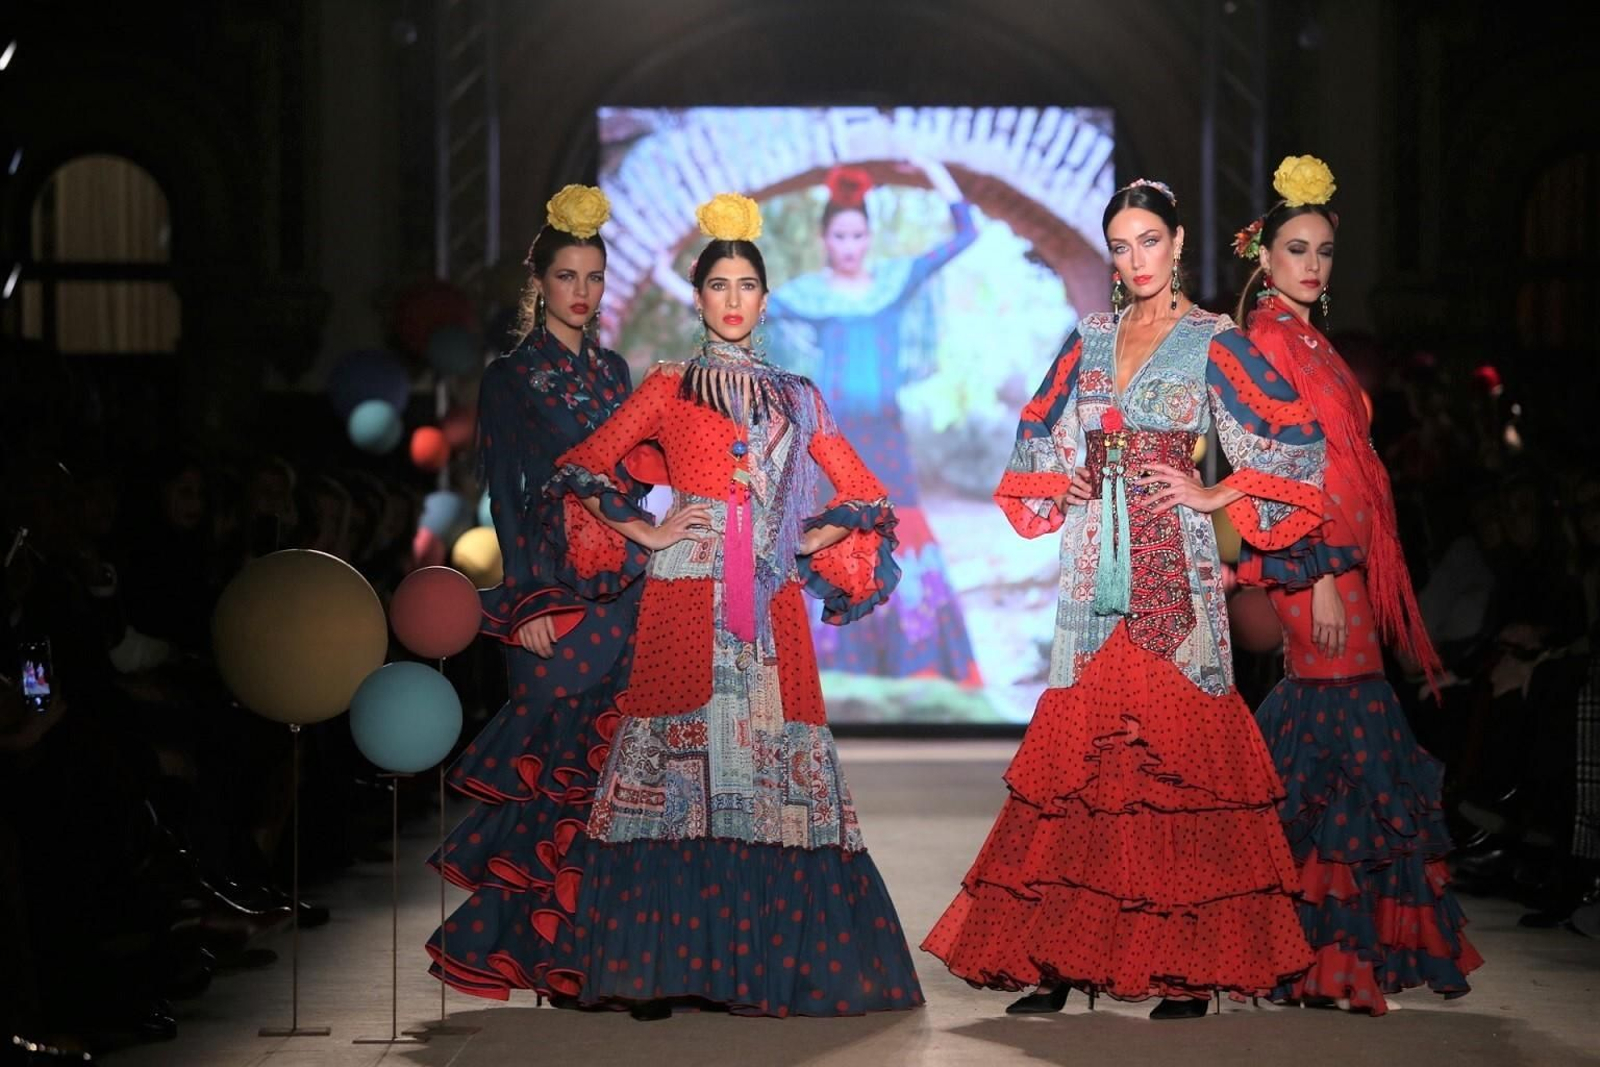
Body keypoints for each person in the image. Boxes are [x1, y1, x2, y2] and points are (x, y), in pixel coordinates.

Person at [922, 178, 1321, 1020]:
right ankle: (1061, 957)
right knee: (1085, 764)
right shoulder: (1090, 337)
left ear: (1177, 243)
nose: (1134, 258)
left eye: (1148, 240)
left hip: (1171, 569)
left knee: (1170, 765)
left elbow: (1292, 443)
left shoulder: (1213, 339)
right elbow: (1039, 429)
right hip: (1091, 573)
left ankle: (1181, 967)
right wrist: (1061, 475)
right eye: (1120, 245)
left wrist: (1214, 493)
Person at [547, 193, 923, 1020]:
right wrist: (646, 531)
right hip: (686, 587)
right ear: (699, 295)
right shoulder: (668, 386)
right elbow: (582, 466)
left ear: (763, 296)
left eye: (745, 284)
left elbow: (866, 491)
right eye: (717, 283)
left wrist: (805, 534)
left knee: (769, 771)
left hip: (770, 599)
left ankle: (760, 971)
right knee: (673, 767)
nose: (731, 298)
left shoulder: (798, 394)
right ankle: (653, 968)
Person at [1232, 155, 1482, 1014]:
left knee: (1343, 726)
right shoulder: (1267, 339)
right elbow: (1280, 470)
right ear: (1262, 256)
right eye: (1296, 247)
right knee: (1337, 728)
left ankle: (1322, 955)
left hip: (1345, 561)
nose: (1311, 263)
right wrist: (1325, 572)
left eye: (1324, 250)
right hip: (1319, 563)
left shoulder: (1308, 339)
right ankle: (1320, 960)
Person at [425, 185, 661, 1004]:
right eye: (568, 276)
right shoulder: (511, 380)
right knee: (554, 775)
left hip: (624, 588)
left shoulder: (615, 370)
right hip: (554, 588)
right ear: (541, 283)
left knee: (615, 773)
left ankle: (608, 952)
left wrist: (656, 541)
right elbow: (506, 497)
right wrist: (526, 603)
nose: (583, 292)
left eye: (593, 277)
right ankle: (553, 957)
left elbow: (626, 477)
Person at [763, 162, 982, 685]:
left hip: (884, 432)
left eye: (858, 234)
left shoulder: (893, 281)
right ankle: (837, 661)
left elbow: (966, 235)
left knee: (900, 524)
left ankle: (916, 659)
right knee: (832, 532)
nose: (849, 245)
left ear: (869, 237)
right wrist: (673, 282)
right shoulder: (808, 295)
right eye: (839, 235)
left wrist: (935, 172)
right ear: (824, 239)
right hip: (831, 439)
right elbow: (744, 308)